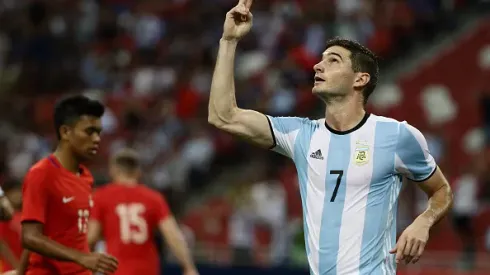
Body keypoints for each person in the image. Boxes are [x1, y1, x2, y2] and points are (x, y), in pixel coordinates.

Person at [208, 0, 454, 274]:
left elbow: (442, 191)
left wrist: (425, 221)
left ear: (359, 79)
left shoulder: (396, 135)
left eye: (332, 60)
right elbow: (223, 116)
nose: (317, 66)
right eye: (320, 59)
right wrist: (228, 40)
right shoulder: (301, 134)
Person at [19, 95, 118, 275]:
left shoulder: (86, 177)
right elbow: (30, 236)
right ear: (65, 132)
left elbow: (50, 232)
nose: (97, 139)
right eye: (89, 131)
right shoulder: (41, 174)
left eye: (99, 132)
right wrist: (82, 257)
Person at [87, 148, 198, 275]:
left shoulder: (101, 197)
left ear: (113, 170)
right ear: (138, 172)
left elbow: (91, 237)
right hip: (147, 270)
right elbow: (172, 235)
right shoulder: (154, 198)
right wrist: (189, 267)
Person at [0, 179, 23, 272]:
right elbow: (2, 245)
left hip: (29, 267)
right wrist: (17, 265)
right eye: (13, 193)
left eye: (19, 192)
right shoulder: (5, 218)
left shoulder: (28, 215)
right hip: (11, 268)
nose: (17, 196)